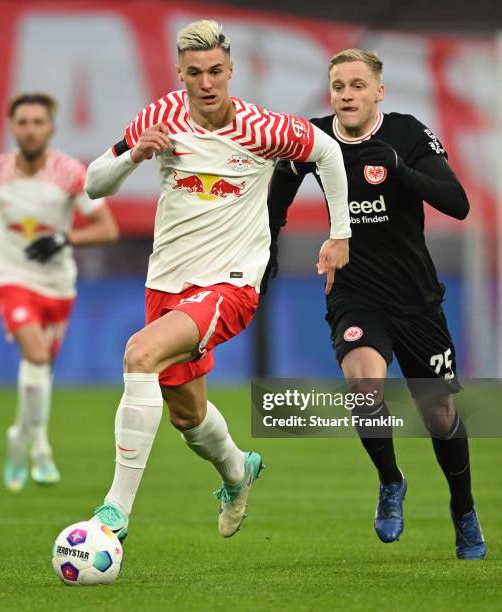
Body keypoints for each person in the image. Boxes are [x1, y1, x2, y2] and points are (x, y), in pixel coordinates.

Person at [84, 19, 351, 541]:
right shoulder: (162, 116)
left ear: (231, 71)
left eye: (214, 72)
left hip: (231, 285)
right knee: (188, 417)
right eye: (193, 74)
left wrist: (339, 234)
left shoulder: (263, 128)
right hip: (167, 283)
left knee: (139, 354)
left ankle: (114, 512)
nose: (206, 84)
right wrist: (135, 156)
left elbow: (328, 152)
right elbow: (95, 183)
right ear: (180, 76)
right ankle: (237, 471)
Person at [266, 49, 486, 560]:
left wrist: (403, 172)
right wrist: (265, 250)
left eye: (358, 85)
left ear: (378, 92)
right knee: (363, 388)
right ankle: (391, 481)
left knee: (440, 414)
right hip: (354, 291)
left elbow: (458, 203)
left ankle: (464, 507)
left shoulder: (407, 134)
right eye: (339, 85)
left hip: (416, 298)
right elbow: (276, 198)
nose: (347, 94)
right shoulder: (313, 138)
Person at [0, 92, 118, 492]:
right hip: (9, 276)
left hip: (57, 284)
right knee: (34, 354)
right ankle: (40, 448)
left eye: (38, 122)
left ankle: (18, 438)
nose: (30, 129)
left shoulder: (70, 174)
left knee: (40, 371)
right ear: (11, 126)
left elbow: (107, 228)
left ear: (51, 129)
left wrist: (62, 239)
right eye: (23, 122)